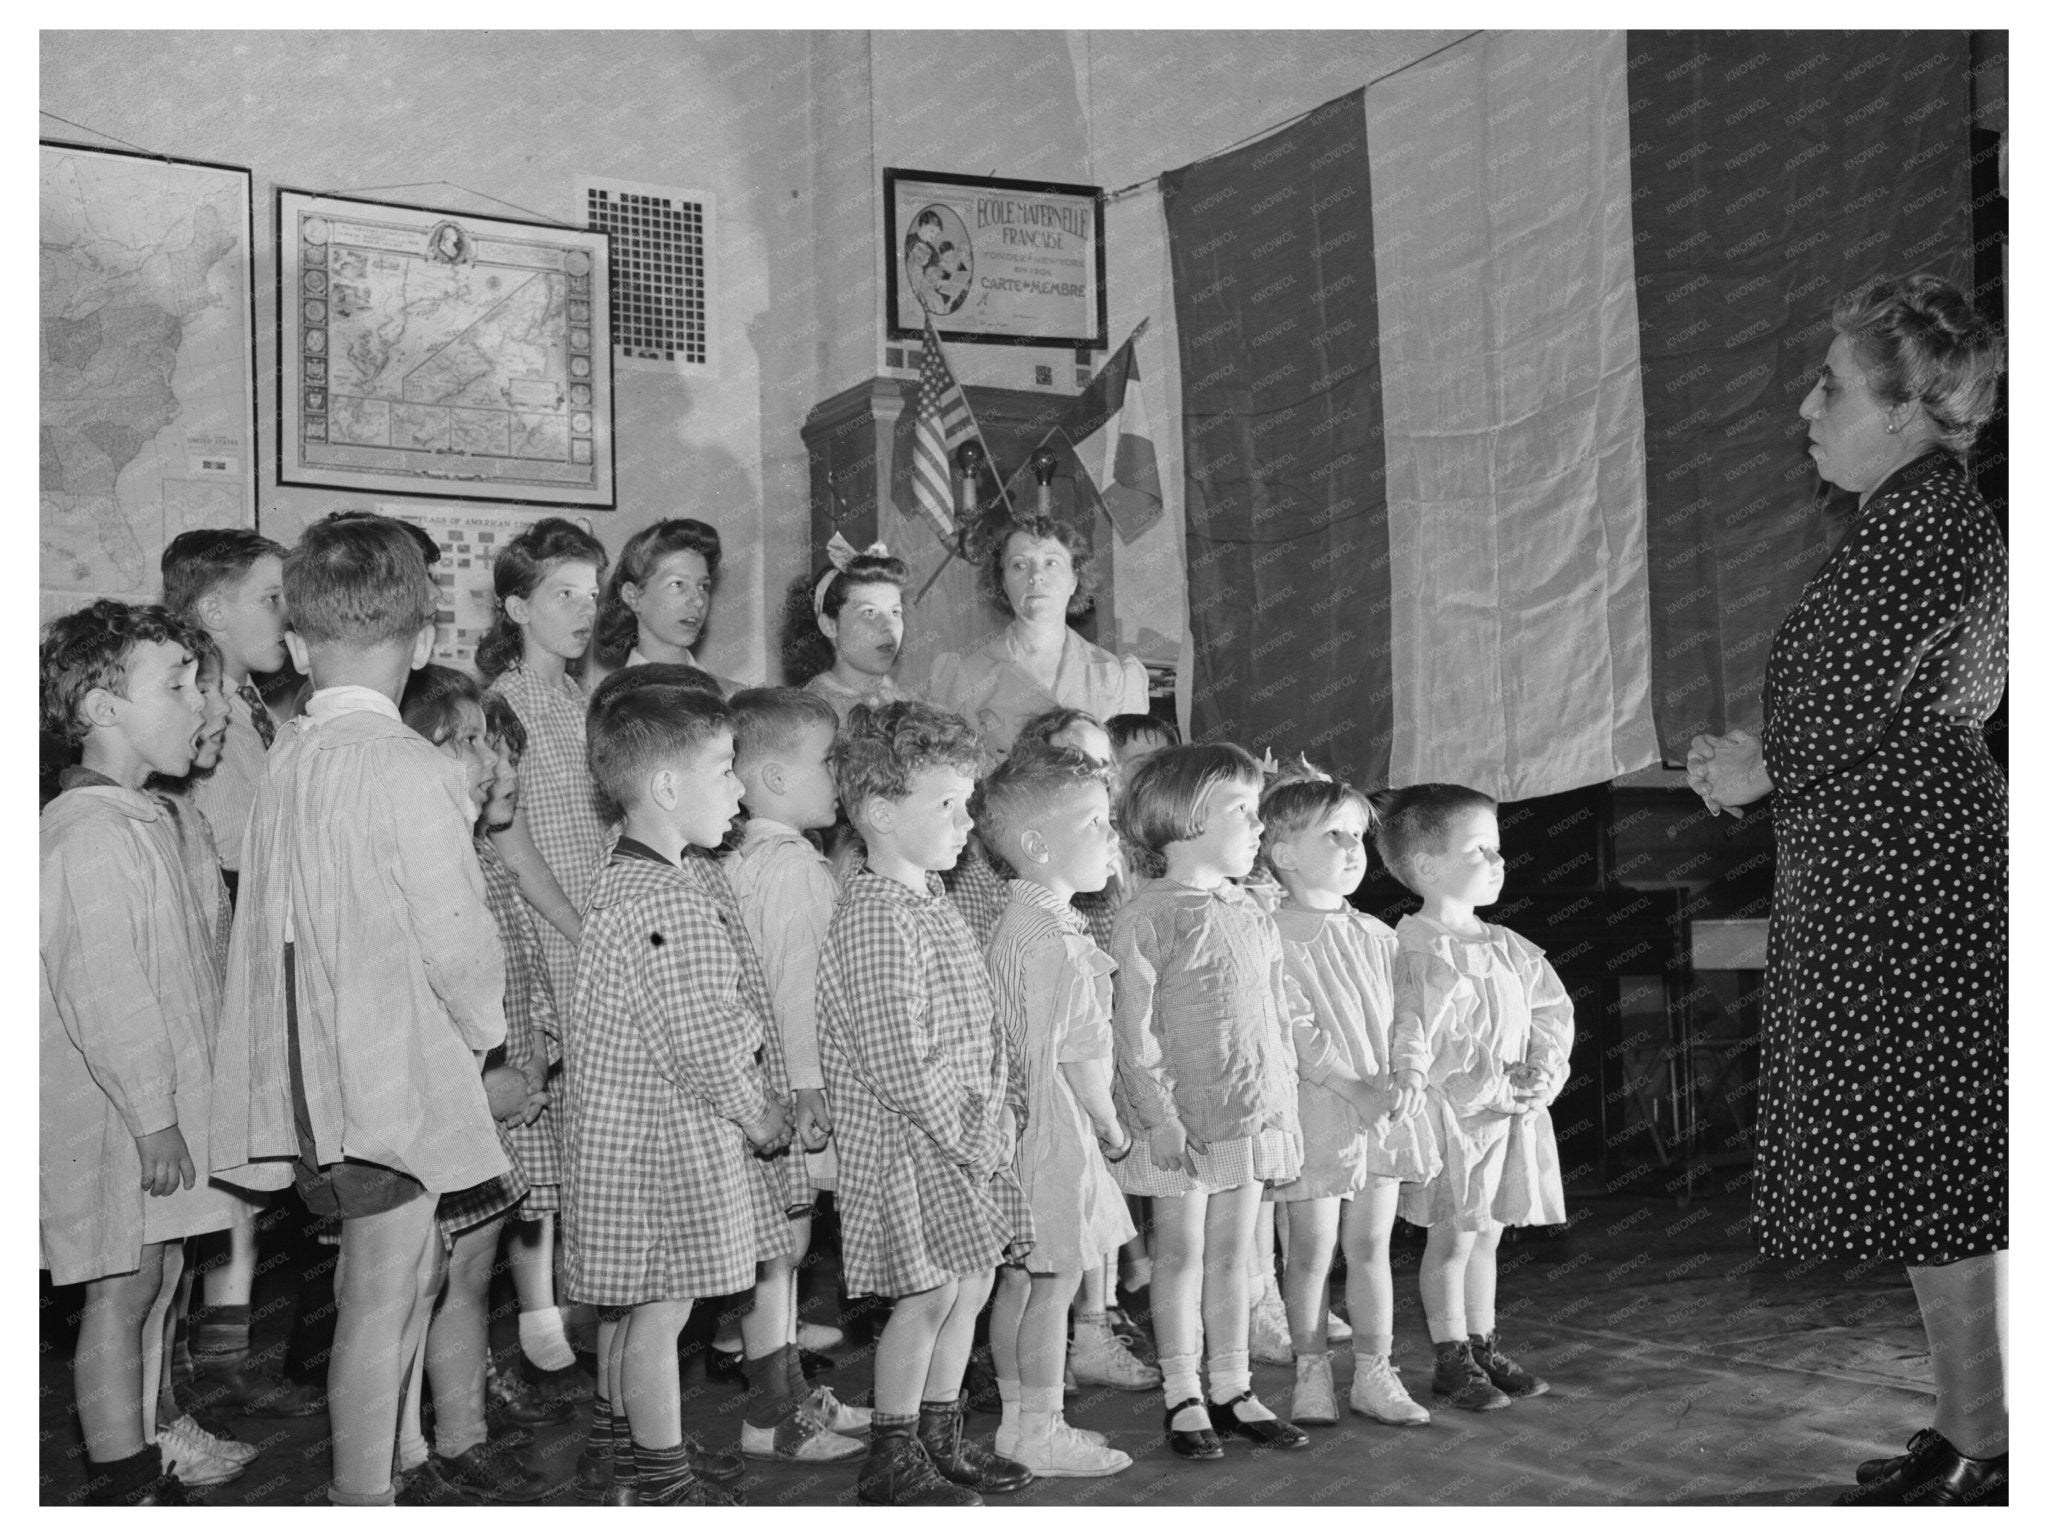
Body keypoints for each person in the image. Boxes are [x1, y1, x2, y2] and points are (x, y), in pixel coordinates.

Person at [1685, 273, 2007, 1507]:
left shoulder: (1925, 524)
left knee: (1942, 1176)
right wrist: (1763, 763)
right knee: (1931, 1178)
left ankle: (1986, 1445)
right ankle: (1969, 1424)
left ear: (1908, 410)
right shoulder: (1908, 518)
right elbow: (1857, 711)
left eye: (1829, 384)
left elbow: (1847, 711)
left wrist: (1756, 763)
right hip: (1878, 855)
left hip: (1909, 873)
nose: (1803, 403)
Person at [210, 514, 511, 1506]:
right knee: (379, 1301)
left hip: (310, 1078)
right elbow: (456, 937)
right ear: (425, 646)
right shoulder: (415, 771)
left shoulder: (290, 756)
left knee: (388, 1279)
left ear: (296, 645)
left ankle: (405, 1456)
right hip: (386, 1083)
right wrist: (483, 1031)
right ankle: (360, 1499)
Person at [559, 679, 796, 1508]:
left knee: (635, 1314)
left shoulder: (625, 880)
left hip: (624, 1141)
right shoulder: (668, 902)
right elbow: (703, 1032)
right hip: (663, 1149)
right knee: (665, 1314)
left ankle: (627, 1461)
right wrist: (757, 1107)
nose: (738, 788)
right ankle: (663, 1483)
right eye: (726, 769)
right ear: (667, 788)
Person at [41, 601, 240, 1505]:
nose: (201, 704)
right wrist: (156, 1118)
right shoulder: (86, 834)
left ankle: (142, 1448)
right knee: (116, 1290)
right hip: (118, 1117)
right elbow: (108, 997)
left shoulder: (136, 819)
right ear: (99, 707)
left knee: (150, 1277)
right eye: (178, 685)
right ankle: (119, 1481)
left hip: (148, 1114)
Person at [816, 701, 1035, 1506]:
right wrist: (977, 1128)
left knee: (970, 1282)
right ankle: (892, 1449)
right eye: (946, 804)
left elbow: (975, 1015)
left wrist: (1001, 1100)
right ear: (879, 814)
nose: (966, 819)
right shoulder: (875, 917)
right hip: (914, 1144)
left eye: (967, 800)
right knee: (928, 1294)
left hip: (963, 1134)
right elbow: (903, 1061)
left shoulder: (930, 898)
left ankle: (940, 1434)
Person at [1108, 743, 1308, 1458]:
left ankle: (1233, 1384)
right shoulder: (1147, 916)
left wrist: (1279, 1104)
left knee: (1236, 1260)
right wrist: (1158, 1120)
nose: (1259, 828)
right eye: (1244, 812)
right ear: (1190, 820)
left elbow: (1272, 1020)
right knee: (1180, 1255)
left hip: (1247, 1112)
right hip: (1184, 1124)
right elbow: (1131, 1034)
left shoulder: (1251, 911)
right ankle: (1183, 1392)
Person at [390, 665, 560, 1504]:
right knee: (421, 1282)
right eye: (468, 742)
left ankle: (462, 1437)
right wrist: (486, 1082)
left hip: (503, 1096)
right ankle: (406, 1451)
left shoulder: (483, 853)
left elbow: (518, 973)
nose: (489, 759)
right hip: (455, 1107)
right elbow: (423, 1001)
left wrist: (535, 1062)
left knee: (469, 1272)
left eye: (490, 741)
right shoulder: (429, 859)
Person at [1374, 784, 1571, 1416]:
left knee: (1488, 1235)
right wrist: (1494, 1085)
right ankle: (1450, 1357)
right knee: (1454, 1238)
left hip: (1509, 1115)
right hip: (1456, 1119)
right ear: (1429, 867)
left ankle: (1483, 1343)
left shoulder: (1508, 945)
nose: (1498, 860)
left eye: (1498, 848)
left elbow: (1550, 1012)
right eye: (1480, 849)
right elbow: (1430, 1039)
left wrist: (1543, 1072)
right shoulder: (1416, 948)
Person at [1259, 764, 1438, 1428]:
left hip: (1381, 1110)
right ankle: (1310, 1373)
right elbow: (1294, 1026)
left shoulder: (1376, 934)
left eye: (1358, 836)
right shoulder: (1272, 933)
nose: (1351, 849)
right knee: (1310, 1251)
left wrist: (1410, 1072)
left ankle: (1373, 1371)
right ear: (1282, 854)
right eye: (1333, 835)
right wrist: (1352, 1086)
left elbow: (1408, 1014)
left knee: (1369, 1247)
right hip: (1321, 1112)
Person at [976, 747, 1137, 1478]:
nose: (1113, 838)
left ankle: (1017, 1419)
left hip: (1016, 1132)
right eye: (1097, 823)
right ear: (1038, 845)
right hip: (1057, 1132)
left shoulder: (1015, 924)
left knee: (1021, 1282)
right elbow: (1079, 1055)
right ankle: (1040, 1428)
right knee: (1055, 1285)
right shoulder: (1061, 942)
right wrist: (1109, 1123)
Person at [719, 687, 869, 1464]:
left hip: (763, 1085)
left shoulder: (740, 857)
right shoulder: (795, 870)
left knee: (778, 1252)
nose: (841, 775)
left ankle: (786, 1398)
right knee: (780, 1251)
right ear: (774, 779)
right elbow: (797, 986)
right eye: (827, 761)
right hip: (790, 1086)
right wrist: (811, 1087)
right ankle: (771, 1414)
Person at [477, 516, 610, 1006]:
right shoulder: (500, 708)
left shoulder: (582, 701)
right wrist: (582, 935)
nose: (586, 611)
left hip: (601, 932)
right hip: (557, 935)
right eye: (565, 595)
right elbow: (514, 848)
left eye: (592, 595)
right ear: (518, 608)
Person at [928, 511, 1148, 761]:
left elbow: (1129, 776)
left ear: (1075, 579)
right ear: (1002, 582)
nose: (1035, 576)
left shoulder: (1115, 674)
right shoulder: (965, 676)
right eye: (1020, 565)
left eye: (1051, 563)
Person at [160, 527, 289, 898]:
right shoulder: (190, 727)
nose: (289, 615)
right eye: (272, 599)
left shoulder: (266, 716)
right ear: (214, 611)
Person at [780, 534, 918, 722]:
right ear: (829, 626)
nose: (888, 627)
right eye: (870, 612)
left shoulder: (901, 700)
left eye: (895, 613)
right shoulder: (810, 713)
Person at [592, 517, 739, 692]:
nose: (699, 601)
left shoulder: (732, 696)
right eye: (677, 584)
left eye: (703, 586)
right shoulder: (612, 702)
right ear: (633, 596)